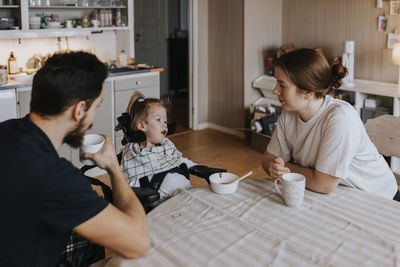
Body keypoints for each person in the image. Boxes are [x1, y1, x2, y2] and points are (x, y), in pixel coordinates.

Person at [0, 52, 150, 266]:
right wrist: (114, 168)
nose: (94, 115)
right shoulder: (53, 176)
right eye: (96, 106)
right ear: (79, 110)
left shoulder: (7, 130)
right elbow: (138, 242)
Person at [261, 48, 399, 200]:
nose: (275, 91)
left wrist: (286, 169)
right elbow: (268, 158)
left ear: (308, 91)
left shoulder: (340, 118)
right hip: (338, 195)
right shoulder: (289, 113)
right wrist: (274, 168)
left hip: (379, 199)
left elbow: (324, 184)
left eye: (282, 85)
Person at [120, 91, 197, 201]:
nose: (164, 124)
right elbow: (129, 184)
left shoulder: (166, 145)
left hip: (188, 193)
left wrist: (198, 167)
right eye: (158, 120)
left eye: (165, 121)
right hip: (166, 205)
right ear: (142, 125)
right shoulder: (134, 155)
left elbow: (180, 160)